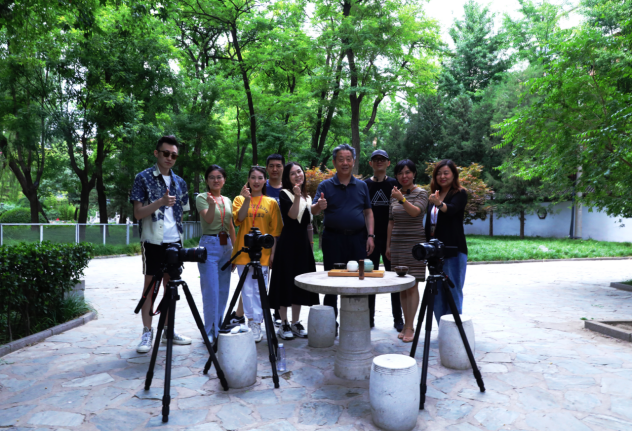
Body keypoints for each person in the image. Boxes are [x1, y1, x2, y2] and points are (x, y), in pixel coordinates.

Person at [130, 135, 192, 354]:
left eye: (174, 155)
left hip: (175, 242)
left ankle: (168, 330)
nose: (170, 158)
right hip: (153, 241)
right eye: (166, 153)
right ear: (157, 153)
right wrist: (160, 202)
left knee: (170, 288)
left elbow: (182, 214)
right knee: (149, 288)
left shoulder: (180, 182)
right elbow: (138, 213)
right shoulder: (143, 178)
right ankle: (147, 332)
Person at [312, 144, 375, 329]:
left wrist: (371, 235)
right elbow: (313, 210)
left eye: (348, 159)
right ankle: (330, 324)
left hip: (358, 239)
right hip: (333, 239)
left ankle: (356, 322)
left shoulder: (362, 185)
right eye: (341, 159)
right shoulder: (325, 185)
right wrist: (319, 206)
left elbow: (368, 213)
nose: (345, 163)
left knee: (359, 280)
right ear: (334, 162)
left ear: (353, 161)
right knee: (332, 281)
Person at [269, 162, 320, 340]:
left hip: (302, 245)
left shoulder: (307, 196)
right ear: (287, 178)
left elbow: (308, 220)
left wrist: (319, 206)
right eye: (293, 173)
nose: (297, 175)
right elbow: (292, 215)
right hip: (288, 244)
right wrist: (297, 196)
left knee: (300, 283)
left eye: (299, 171)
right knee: (285, 283)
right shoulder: (284, 193)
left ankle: (295, 322)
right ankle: (283, 323)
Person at [232, 166, 283, 342]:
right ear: (248, 179)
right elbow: (239, 219)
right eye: (253, 177)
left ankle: (258, 323)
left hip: (264, 253)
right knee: (246, 290)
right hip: (243, 252)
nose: (256, 181)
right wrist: (247, 200)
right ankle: (251, 321)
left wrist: (273, 254)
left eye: (260, 178)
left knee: (259, 289)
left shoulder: (271, 203)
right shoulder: (239, 199)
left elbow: (274, 232)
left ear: (265, 180)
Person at [386, 160, 428, 343]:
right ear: (396, 175)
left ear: (414, 173)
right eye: (400, 173)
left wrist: (401, 199)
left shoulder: (422, 193)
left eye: (408, 172)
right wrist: (388, 245)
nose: (404, 176)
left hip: (415, 244)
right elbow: (391, 222)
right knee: (402, 286)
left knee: (412, 285)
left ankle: (410, 326)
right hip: (397, 244)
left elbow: (415, 212)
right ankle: (406, 324)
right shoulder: (395, 194)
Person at [364, 149, 404, 332]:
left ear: (388, 163)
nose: (379, 162)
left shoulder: (395, 184)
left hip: (391, 240)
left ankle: (398, 318)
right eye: (376, 159)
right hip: (370, 239)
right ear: (371, 163)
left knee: (393, 280)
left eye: (383, 159)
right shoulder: (364, 185)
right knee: (370, 279)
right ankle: (369, 318)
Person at [197, 165, 237, 343]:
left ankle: (218, 326)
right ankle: (209, 329)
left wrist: (235, 251)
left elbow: (230, 226)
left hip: (226, 246)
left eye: (219, 177)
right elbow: (208, 219)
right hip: (209, 245)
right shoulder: (202, 198)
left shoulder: (227, 200)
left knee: (223, 289)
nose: (216, 180)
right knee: (210, 290)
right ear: (207, 180)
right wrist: (212, 204)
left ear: (224, 180)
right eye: (212, 177)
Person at [425, 159, 468, 324]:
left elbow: (452, 210)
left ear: (453, 175)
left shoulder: (460, 193)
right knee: (436, 293)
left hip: (453, 250)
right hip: (435, 252)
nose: (442, 176)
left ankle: (455, 330)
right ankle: (443, 328)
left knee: (453, 290)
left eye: (446, 173)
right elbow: (430, 223)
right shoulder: (433, 195)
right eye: (439, 173)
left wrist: (439, 203)